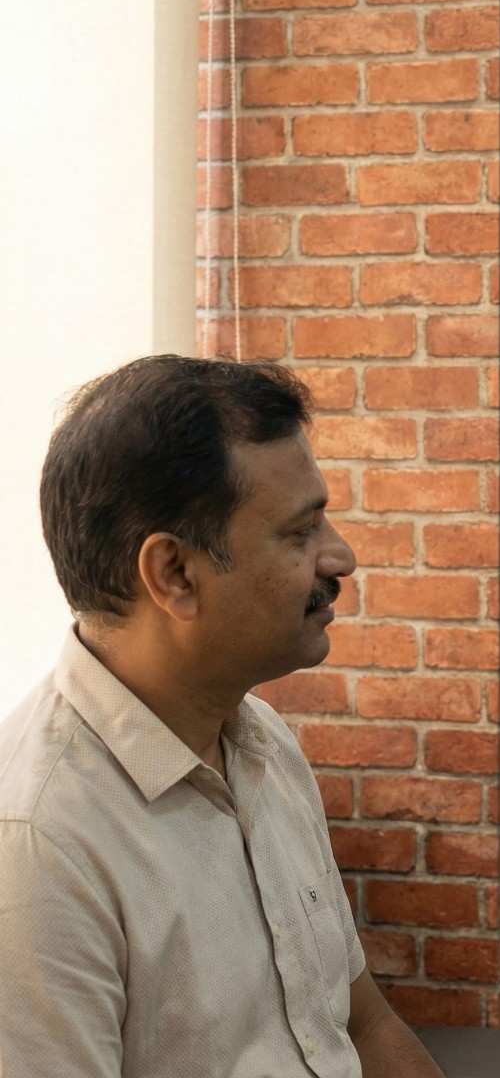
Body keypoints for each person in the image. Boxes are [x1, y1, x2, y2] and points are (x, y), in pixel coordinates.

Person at [0, 356, 444, 1078]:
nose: (342, 557)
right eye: (299, 533)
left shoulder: (263, 743)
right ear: (174, 574)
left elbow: (363, 1024)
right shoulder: (39, 843)